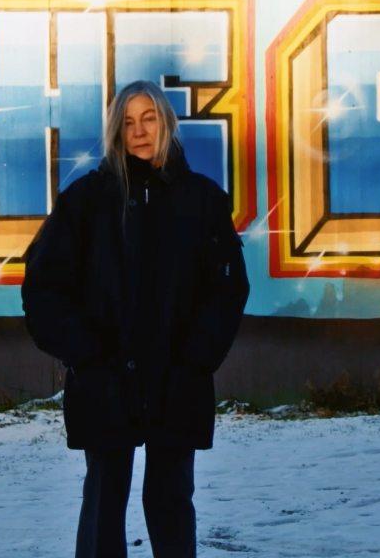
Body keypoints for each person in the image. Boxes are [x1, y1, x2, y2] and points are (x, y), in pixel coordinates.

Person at [22, 80, 250, 558]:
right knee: (103, 504)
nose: (139, 131)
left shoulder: (204, 201)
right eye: (127, 121)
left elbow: (226, 290)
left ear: (165, 123)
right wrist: (86, 357)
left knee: (170, 502)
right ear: (115, 130)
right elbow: (44, 289)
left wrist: (196, 362)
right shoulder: (85, 202)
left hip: (176, 381)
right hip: (105, 381)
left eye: (148, 118)